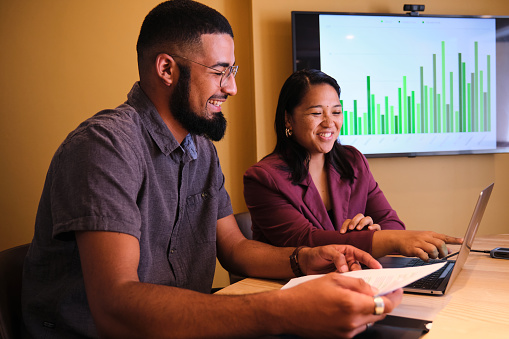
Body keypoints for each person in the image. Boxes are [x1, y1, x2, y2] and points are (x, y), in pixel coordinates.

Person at [21, 2, 403, 338]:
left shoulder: (200, 148)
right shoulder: (104, 147)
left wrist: (302, 258)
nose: (232, 88)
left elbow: (235, 249)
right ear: (167, 69)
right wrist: (284, 311)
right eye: (220, 71)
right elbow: (116, 309)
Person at [244, 69, 463, 260]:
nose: (330, 123)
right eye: (316, 113)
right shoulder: (263, 178)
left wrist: (373, 231)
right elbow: (305, 240)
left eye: (336, 112)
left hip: (351, 279)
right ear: (288, 119)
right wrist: (376, 240)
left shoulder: (353, 160)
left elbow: (392, 223)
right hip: (291, 289)